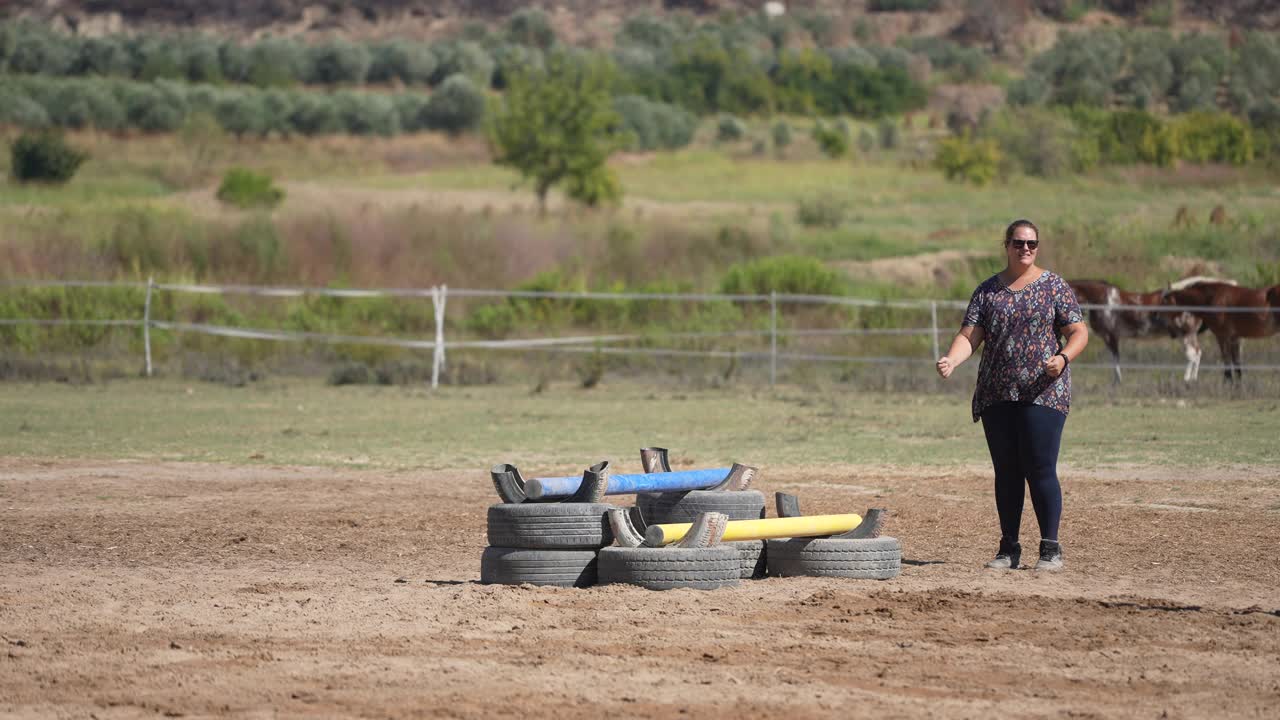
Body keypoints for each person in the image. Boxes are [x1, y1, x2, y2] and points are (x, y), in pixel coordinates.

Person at [935, 220, 1089, 571]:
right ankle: (1009, 548)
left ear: (1038, 246)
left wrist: (1063, 358)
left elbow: (1078, 332)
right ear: (1006, 245)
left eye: (1032, 243)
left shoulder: (1054, 287)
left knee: (1040, 468)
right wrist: (952, 360)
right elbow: (970, 336)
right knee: (1006, 471)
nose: (1025, 249)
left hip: (1043, 392)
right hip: (997, 392)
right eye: (1019, 243)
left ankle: (1050, 548)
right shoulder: (987, 291)